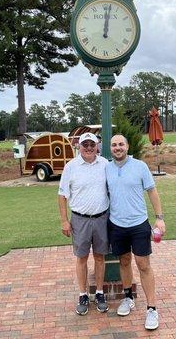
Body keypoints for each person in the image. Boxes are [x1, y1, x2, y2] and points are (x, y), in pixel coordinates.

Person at [106, 134, 166, 330]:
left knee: (143, 264)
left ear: (127, 146)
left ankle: (152, 308)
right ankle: (128, 297)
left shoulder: (140, 166)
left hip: (139, 224)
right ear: (110, 148)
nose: (117, 148)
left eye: (121, 144)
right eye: (114, 145)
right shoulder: (106, 168)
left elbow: (152, 191)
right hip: (116, 224)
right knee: (124, 261)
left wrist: (159, 218)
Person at [58, 132, 110, 315]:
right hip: (79, 219)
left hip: (102, 218)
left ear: (97, 146)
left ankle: (100, 293)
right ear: (78, 146)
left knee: (99, 257)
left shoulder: (105, 164)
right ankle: (83, 294)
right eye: (85, 144)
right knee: (81, 258)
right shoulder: (71, 167)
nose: (88, 148)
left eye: (92, 144)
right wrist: (64, 220)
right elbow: (62, 195)